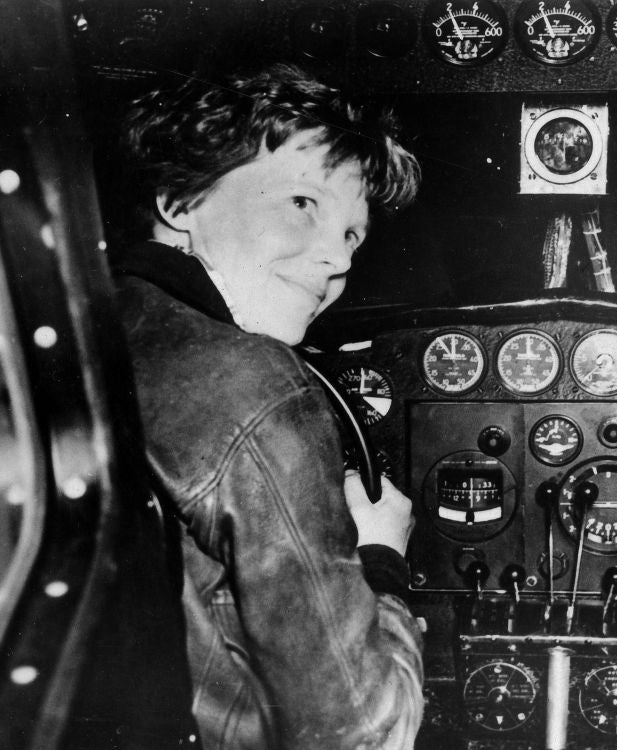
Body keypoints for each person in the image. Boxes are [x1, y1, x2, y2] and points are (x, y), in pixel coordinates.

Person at [109, 64, 423, 750]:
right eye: (303, 204)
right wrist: (381, 560)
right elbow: (367, 737)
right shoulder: (258, 381)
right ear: (180, 200)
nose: (336, 261)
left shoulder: (95, 334)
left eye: (352, 236)